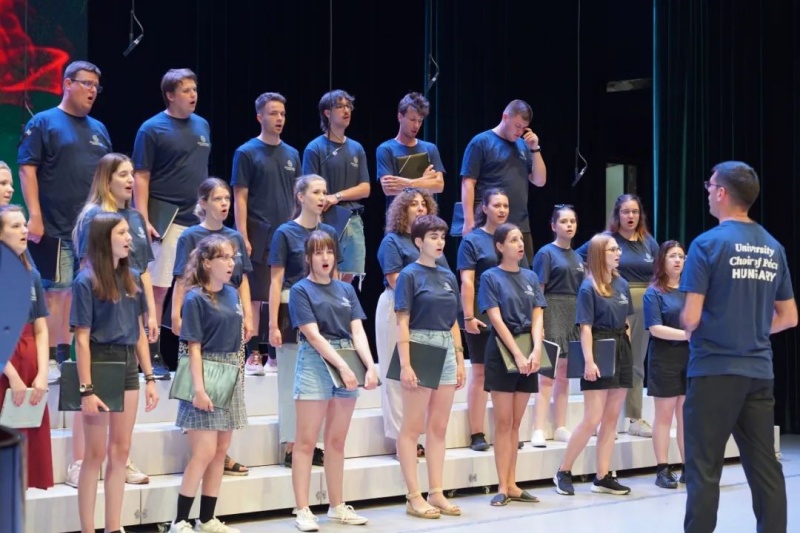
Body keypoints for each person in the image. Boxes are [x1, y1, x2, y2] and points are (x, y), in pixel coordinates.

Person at [680, 161, 796, 533]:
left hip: (714, 370)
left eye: (710, 185)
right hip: (759, 371)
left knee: (704, 467)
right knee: (765, 468)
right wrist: (752, 330)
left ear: (722, 192)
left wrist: (696, 326)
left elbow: (691, 317)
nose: (707, 191)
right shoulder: (773, 247)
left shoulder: (707, 244)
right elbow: (789, 316)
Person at [17, 60, 111, 382]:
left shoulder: (99, 130)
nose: (92, 91)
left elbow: (107, 177)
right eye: (86, 84)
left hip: (91, 231)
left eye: (96, 86)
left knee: (79, 293)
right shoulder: (44, 122)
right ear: (67, 84)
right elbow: (26, 169)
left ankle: (66, 356)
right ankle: (49, 360)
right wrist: (35, 216)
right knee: (56, 292)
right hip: (55, 225)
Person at [71, 152, 159, 487]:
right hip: (101, 316)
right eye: (122, 174)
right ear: (106, 180)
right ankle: (81, 461)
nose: (130, 179)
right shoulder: (94, 217)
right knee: (91, 397)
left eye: (132, 173)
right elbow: (88, 265)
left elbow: (142, 268)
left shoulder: (134, 217)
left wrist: (149, 310)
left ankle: (122, 461)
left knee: (122, 415)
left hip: (129, 304)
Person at [289, 230, 379, 531]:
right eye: (318, 252)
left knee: (337, 441)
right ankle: (303, 509)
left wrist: (370, 365)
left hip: (347, 357)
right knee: (305, 441)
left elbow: (357, 331)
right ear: (308, 258)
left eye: (329, 252)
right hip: (316, 361)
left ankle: (337, 505)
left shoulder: (346, 290)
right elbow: (313, 335)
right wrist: (342, 367)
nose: (325, 258)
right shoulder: (301, 290)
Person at [171, 177, 253, 476]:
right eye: (218, 198)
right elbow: (182, 278)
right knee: (198, 376)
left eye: (227, 198)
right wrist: (175, 314)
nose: (224, 204)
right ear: (203, 203)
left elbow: (241, 280)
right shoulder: (190, 235)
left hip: (228, 315)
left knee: (228, 384)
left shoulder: (234, 237)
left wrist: (248, 315)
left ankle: (220, 453)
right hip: (199, 315)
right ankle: (198, 448)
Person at [133, 68, 211, 376]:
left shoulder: (202, 125)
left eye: (195, 89)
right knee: (159, 288)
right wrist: (142, 217)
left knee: (192, 289)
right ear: (170, 95)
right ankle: (151, 355)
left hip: (198, 222)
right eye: (186, 90)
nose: (193, 95)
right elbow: (141, 175)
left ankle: (186, 352)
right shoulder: (152, 129)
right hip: (166, 220)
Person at [168, 235, 247, 533]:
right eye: (223, 257)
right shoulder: (195, 298)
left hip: (230, 372)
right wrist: (199, 389)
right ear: (206, 263)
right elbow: (194, 347)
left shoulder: (233, 294)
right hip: (205, 371)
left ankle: (207, 518)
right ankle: (180, 520)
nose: (230, 263)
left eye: (232, 257)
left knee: (220, 451)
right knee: (203, 451)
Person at [395, 214, 465, 519]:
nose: (440, 242)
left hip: (446, 346)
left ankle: (436, 491)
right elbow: (402, 320)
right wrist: (406, 364)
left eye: (442, 236)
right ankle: (413, 496)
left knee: (438, 426)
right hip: (419, 343)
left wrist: (460, 358)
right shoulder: (409, 275)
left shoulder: (448, 276)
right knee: (412, 427)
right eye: (433, 237)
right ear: (418, 241)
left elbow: (453, 322)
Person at [553, 233, 634, 496]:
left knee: (611, 419)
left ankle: (602, 476)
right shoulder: (588, 287)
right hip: (598, 347)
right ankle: (563, 471)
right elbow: (585, 327)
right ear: (600, 254)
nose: (618, 253)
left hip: (621, 347)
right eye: (612, 249)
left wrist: (627, 351)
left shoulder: (622, 283)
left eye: (618, 249)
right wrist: (589, 361)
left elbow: (626, 322)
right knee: (592, 418)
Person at [268, 174, 338, 468]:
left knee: (319, 378)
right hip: (292, 307)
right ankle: (291, 445)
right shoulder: (285, 233)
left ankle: (312, 443)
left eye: (325, 192)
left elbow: (334, 277)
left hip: (323, 309)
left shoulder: (329, 231)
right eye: (316, 192)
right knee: (291, 380)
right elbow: (276, 280)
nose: (322, 197)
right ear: (300, 196)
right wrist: (273, 324)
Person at [576, 194, 658, 437]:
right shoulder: (607, 240)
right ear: (617, 215)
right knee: (605, 360)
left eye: (635, 211)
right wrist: (594, 279)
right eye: (625, 211)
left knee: (635, 362)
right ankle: (596, 419)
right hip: (611, 304)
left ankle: (634, 417)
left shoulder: (648, 242)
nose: (631, 216)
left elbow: (658, 272)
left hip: (642, 307)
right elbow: (577, 257)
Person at [232, 92, 300, 376]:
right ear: (260, 116)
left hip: (286, 233)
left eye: (282, 113)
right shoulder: (246, 152)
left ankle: (275, 353)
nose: (279, 118)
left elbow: (297, 195)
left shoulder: (292, 154)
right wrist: (242, 235)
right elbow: (240, 196)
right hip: (259, 231)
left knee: (281, 293)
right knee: (257, 295)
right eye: (273, 113)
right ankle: (254, 353)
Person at [375, 188, 445, 459]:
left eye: (423, 204)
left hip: (427, 311)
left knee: (420, 375)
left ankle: (415, 434)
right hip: (397, 306)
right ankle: (399, 439)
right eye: (414, 204)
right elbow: (395, 279)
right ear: (402, 210)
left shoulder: (432, 241)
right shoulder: (392, 241)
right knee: (396, 374)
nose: (420, 207)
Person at [479, 223, 545, 506]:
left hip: (529, 348)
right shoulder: (490, 277)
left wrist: (537, 349)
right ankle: (502, 485)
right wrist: (517, 353)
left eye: (521, 239)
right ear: (500, 246)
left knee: (517, 423)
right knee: (503, 421)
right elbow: (495, 318)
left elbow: (538, 315)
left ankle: (513, 482)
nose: (520, 244)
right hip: (503, 350)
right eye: (513, 240)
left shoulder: (530, 276)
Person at [457, 188, 529, 452]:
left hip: (511, 314)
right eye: (496, 205)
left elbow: (523, 278)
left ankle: (508, 431)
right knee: (480, 371)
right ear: (484, 208)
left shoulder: (513, 237)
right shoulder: (473, 240)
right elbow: (467, 280)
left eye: (505, 205)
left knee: (510, 371)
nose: (502, 210)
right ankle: (477, 432)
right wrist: (468, 316)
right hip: (481, 311)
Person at [0, 205, 53, 490]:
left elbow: (40, 327)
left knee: (26, 457)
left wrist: (42, 373)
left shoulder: (31, 275)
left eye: (24, 225)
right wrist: (11, 375)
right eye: (15, 226)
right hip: (6, 366)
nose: (24, 230)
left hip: (30, 366)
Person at [460, 99, 546, 264]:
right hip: (490, 225)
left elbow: (540, 181)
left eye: (524, 128)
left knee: (522, 274)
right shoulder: (481, 142)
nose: (520, 131)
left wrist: (535, 149)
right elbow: (468, 182)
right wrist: (468, 220)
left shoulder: (523, 146)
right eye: (517, 125)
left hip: (520, 224)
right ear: (505, 117)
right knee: (490, 271)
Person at [302, 90, 370, 283]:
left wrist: (337, 196)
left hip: (353, 219)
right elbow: (308, 188)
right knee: (326, 273)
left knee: (349, 275)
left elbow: (365, 189)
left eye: (348, 106)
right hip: (326, 219)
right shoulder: (315, 148)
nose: (346, 111)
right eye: (340, 106)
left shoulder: (356, 148)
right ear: (327, 112)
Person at [530, 205, 582, 447]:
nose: (569, 225)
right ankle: (538, 428)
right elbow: (538, 291)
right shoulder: (546, 253)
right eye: (563, 221)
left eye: (572, 221)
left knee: (564, 375)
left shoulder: (578, 257)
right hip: (552, 311)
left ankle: (560, 426)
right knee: (547, 375)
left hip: (573, 313)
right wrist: (538, 323)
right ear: (553, 225)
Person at [643, 240, 689, 489]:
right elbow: (655, 328)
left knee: (686, 417)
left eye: (681, 256)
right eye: (673, 256)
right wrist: (688, 335)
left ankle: (688, 467)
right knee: (664, 416)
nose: (678, 260)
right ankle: (662, 469)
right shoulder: (654, 292)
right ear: (662, 260)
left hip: (690, 359)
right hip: (664, 359)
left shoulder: (691, 290)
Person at [376, 92, 445, 205]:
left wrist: (408, 183)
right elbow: (389, 189)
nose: (416, 125)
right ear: (400, 117)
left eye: (420, 121)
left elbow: (439, 186)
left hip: (425, 213)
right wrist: (424, 181)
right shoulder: (386, 149)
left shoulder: (430, 148)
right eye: (412, 120)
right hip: (398, 213)